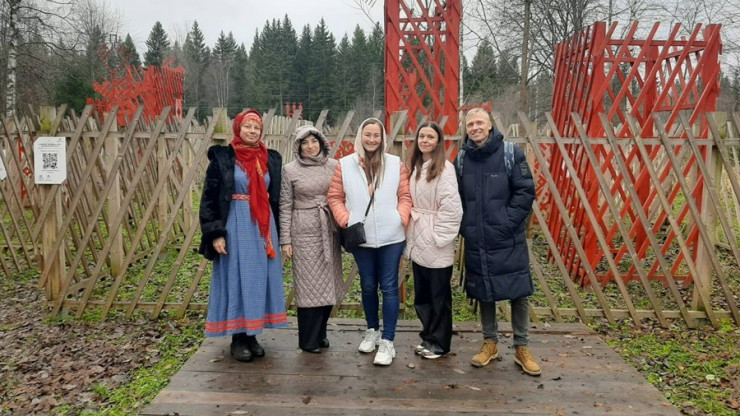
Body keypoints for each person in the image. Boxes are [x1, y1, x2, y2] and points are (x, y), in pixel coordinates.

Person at [455, 108, 541, 376]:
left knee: (518, 290)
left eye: (480, 122)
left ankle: (521, 347)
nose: (475, 127)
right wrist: (465, 227)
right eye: (470, 124)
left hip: (507, 237)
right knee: (484, 291)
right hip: (477, 238)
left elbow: (525, 191)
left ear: (490, 126)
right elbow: (455, 198)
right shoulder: (462, 159)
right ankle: (490, 342)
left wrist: (506, 223)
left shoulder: (510, 153)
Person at [198, 109, 287, 363]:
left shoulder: (269, 159)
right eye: (247, 127)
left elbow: (277, 196)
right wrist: (215, 233)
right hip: (235, 223)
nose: (252, 131)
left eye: (256, 128)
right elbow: (209, 199)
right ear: (238, 129)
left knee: (259, 277)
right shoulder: (224, 158)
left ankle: (252, 333)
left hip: (262, 225)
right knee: (237, 275)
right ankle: (238, 336)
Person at [328, 117, 412, 366]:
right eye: (368, 135)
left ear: (382, 138)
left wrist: (400, 217)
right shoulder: (345, 164)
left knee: (388, 286)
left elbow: (405, 195)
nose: (372, 140)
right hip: (361, 236)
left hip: (391, 236)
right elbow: (335, 197)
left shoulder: (396, 164)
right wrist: (347, 220)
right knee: (367, 285)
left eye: (376, 135)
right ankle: (372, 330)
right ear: (360, 137)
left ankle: (388, 341)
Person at [279, 125, 344, 354]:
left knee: (328, 285)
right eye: (304, 142)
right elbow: (285, 206)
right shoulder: (289, 170)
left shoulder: (335, 166)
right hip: (303, 231)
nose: (310, 146)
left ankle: (321, 333)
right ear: (298, 146)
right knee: (308, 288)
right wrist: (285, 240)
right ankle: (308, 340)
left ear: (321, 142)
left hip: (329, 229)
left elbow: (342, 195)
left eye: (313, 141)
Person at [404, 121, 463, 360]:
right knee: (423, 294)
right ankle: (428, 336)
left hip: (436, 239)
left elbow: (451, 208)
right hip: (418, 237)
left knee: (439, 295)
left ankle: (440, 343)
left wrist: (441, 237)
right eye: (422, 136)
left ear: (438, 142)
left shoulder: (444, 169)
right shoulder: (416, 166)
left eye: (430, 137)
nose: (425, 141)